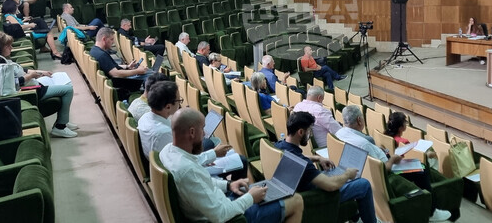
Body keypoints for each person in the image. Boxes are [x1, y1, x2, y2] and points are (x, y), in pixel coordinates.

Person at [159, 108, 304, 223]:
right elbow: (221, 215)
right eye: (202, 129)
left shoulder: (168, 151)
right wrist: (250, 198)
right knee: (296, 200)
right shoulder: (187, 171)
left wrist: (229, 185)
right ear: (192, 132)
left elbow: (201, 182)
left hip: (220, 202)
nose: (204, 134)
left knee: (261, 190)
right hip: (229, 216)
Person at [336, 105, 451, 222]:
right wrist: (392, 160)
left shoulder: (340, 133)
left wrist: (378, 150)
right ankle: (432, 211)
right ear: (359, 120)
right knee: (422, 168)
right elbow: (382, 169)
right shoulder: (363, 144)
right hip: (388, 170)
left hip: (366, 171)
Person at [275, 111, 376, 223]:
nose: (310, 135)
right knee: (364, 184)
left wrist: (317, 158)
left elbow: (296, 157)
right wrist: (347, 174)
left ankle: (355, 214)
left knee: (336, 175)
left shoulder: (280, 146)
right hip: (315, 196)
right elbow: (331, 185)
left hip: (297, 189)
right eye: (309, 131)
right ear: (301, 132)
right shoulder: (304, 165)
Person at [137, 80, 244, 179]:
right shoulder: (164, 133)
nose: (180, 104)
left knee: (208, 141)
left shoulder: (145, 117)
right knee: (239, 159)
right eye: (179, 101)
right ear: (168, 107)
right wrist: (213, 154)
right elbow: (184, 161)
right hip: (183, 172)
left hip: (175, 163)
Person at [0, 32, 78, 138]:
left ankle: (64, 120)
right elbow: (15, 83)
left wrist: (39, 72)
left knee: (57, 77)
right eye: (8, 46)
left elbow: (20, 70)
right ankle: (60, 126)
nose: (11, 48)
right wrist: (30, 76)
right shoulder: (0, 66)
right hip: (30, 90)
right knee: (68, 89)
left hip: (31, 84)